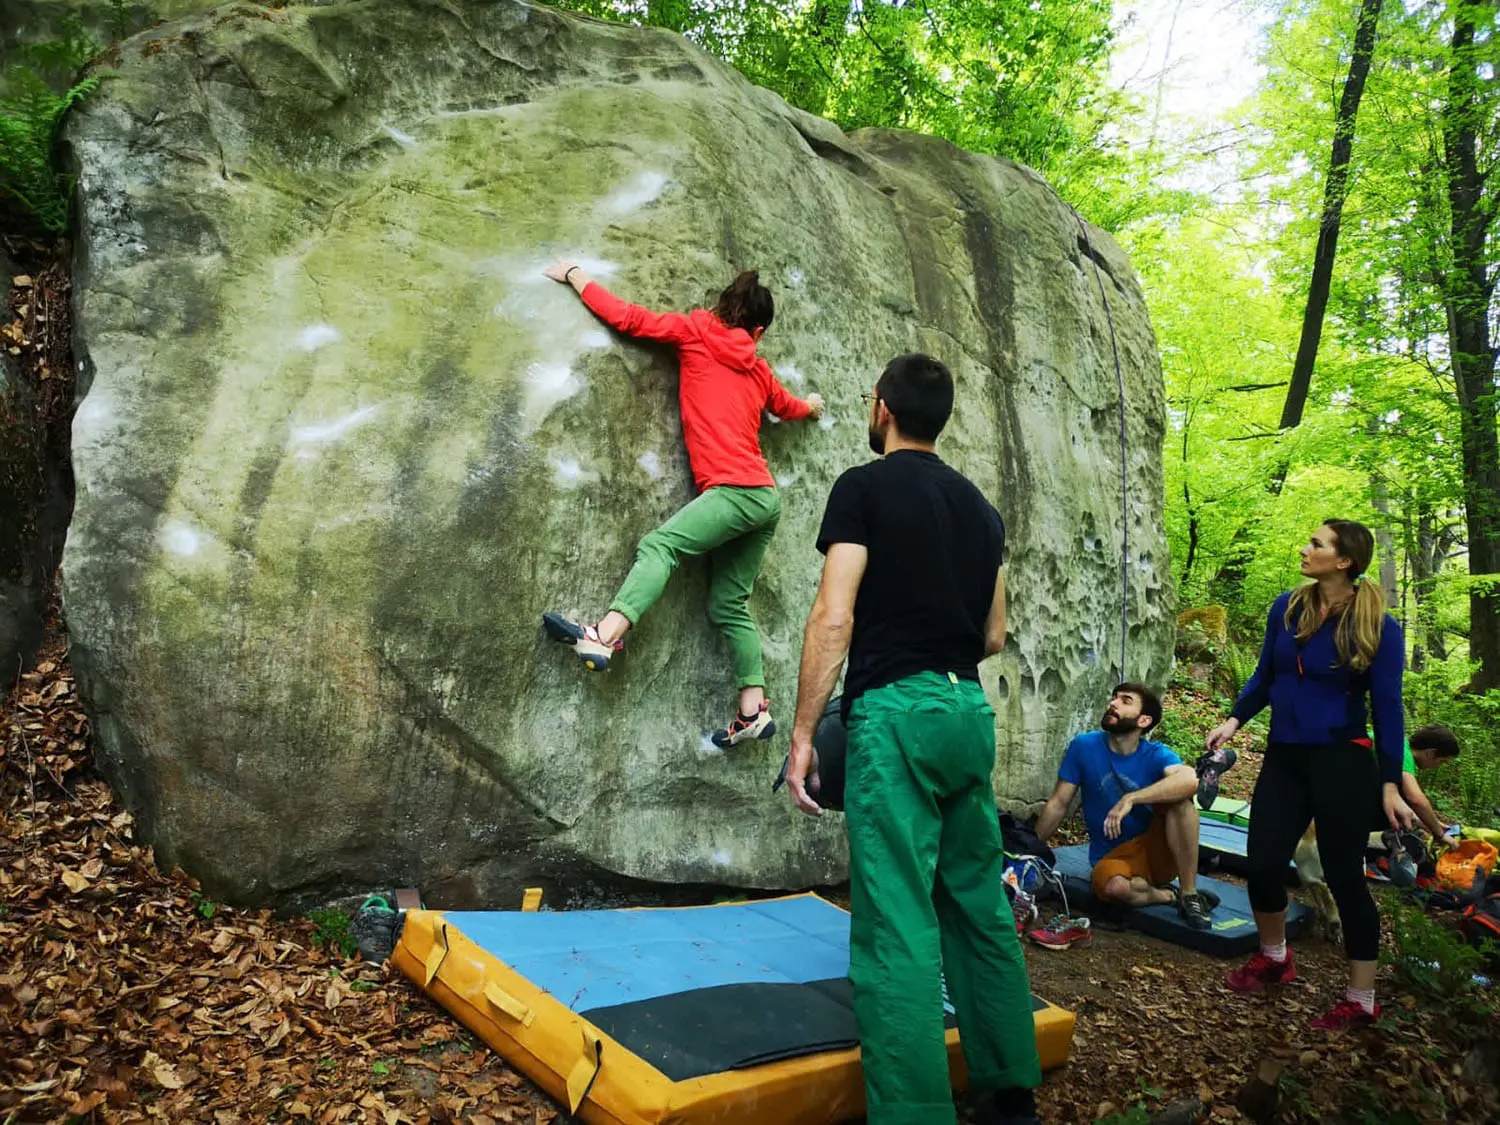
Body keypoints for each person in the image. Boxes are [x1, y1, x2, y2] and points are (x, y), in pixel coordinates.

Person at [785, 353, 1042, 1125]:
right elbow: (993, 633)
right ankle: (1010, 1090)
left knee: (897, 918)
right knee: (978, 904)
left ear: (883, 406)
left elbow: (835, 615)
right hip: (968, 710)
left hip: (897, 712)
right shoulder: (980, 508)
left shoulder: (862, 488)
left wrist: (802, 731)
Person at [539, 262, 823, 746]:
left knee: (660, 546)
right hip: (763, 499)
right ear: (757, 330)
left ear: (720, 306)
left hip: (733, 493)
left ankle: (604, 635)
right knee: (729, 603)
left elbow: (627, 318)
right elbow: (789, 407)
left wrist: (575, 275)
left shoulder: (694, 332)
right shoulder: (758, 369)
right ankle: (753, 710)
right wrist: (813, 405)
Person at [1204, 519, 1415, 1030]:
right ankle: (1275, 958)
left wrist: (1390, 781)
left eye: (1316, 544)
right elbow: (1265, 676)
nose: (1305, 548)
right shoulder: (1288, 606)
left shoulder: (1378, 626)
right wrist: (1234, 720)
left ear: (1344, 561)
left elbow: (1388, 708)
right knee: (1263, 863)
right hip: (1285, 757)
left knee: (1344, 877)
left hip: (1342, 761)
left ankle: (1361, 1000)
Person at [1032, 685, 1216, 934]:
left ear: (1144, 720)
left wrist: (1131, 799)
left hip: (1158, 850)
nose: (1113, 703)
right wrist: (1031, 850)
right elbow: (1058, 803)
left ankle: (1189, 893)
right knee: (1115, 888)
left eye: (1125, 701)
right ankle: (1168, 897)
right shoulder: (1084, 746)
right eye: (1114, 698)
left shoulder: (1156, 754)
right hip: (1114, 857)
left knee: (1181, 803)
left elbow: (1190, 779)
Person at [1401, 724, 1461, 850]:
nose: (1438, 766)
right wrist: (1440, 834)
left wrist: (1431, 823)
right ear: (1430, 753)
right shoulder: (1402, 754)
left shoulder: (1400, 745)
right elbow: (1416, 799)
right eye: (1442, 761)